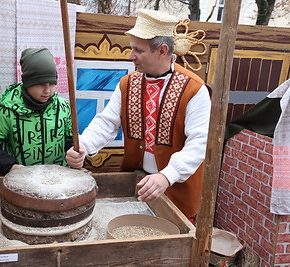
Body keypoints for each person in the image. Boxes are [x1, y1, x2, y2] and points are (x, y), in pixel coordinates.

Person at [65, 9, 211, 221]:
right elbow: (107, 122)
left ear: (162, 50)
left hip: (176, 190)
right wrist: (83, 147)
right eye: (131, 48)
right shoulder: (127, 83)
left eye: (138, 50)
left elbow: (199, 144)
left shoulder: (195, 89)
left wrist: (167, 176)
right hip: (137, 185)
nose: (130, 55)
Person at [0, 48, 73, 175]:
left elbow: (71, 140)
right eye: (40, 84)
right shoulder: (9, 111)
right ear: (28, 82)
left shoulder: (62, 107)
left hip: (57, 180)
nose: (47, 91)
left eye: (51, 84)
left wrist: (74, 154)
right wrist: (10, 166)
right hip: (22, 182)